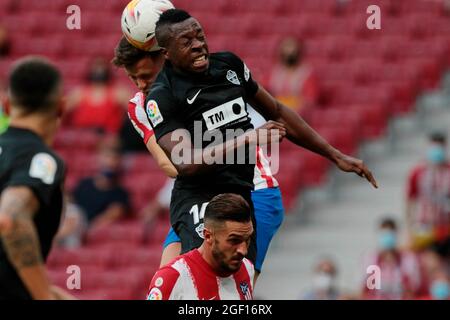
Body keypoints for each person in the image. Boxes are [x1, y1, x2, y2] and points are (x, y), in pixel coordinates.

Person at [146, 9, 377, 268]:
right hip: (200, 198)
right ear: (166, 53)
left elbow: (277, 111)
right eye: (186, 42)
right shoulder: (162, 96)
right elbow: (186, 161)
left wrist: (335, 155)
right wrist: (247, 139)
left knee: (238, 282)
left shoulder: (229, 66)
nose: (199, 45)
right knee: (207, 275)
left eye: (199, 36)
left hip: (242, 192)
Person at [113, 35, 284, 276]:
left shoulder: (208, 83)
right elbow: (169, 164)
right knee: (167, 282)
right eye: (134, 78)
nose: (141, 85)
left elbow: (272, 113)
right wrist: (189, 163)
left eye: (146, 75)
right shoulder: (141, 106)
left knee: (231, 290)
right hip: (195, 196)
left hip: (253, 191)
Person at [0, 57, 73, 299]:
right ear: (61, 107)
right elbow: (11, 217)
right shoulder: (42, 160)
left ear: (7, 105)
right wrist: (43, 295)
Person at [147, 193, 255, 300]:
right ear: (208, 236)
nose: (244, 251)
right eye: (234, 240)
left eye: (247, 239)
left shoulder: (247, 268)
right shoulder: (173, 277)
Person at [406, 131, 450, 256]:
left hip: (445, 226)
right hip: (424, 226)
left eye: (440, 147)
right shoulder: (418, 172)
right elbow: (410, 201)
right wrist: (409, 229)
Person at [72, 138, 130, 228]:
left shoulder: (120, 194)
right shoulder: (84, 185)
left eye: (114, 158)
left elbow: (115, 212)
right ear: (99, 158)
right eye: (107, 156)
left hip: (86, 231)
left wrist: (87, 228)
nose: (110, 163)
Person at [361, 218, 423, 300]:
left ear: (396, 235)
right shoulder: (370, 259)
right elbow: (365, 291)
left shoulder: (408, 259)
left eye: (390, 234)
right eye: (384, 234)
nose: (387, 238)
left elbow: (412, 290)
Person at [66, 57, 129, 134]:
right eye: (96, 67)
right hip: (81, 136)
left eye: (101, 67)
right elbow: (60, 113)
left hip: (109, 136)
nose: (99, 71)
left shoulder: (119, 93)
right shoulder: (79, 94)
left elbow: (135, 112)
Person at [268, 37, 319, 112]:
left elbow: (310, 99)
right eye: (286, 47)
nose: (289, 51)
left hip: (298, 114)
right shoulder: (274, 72)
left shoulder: (307, 73)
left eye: (292, 47)